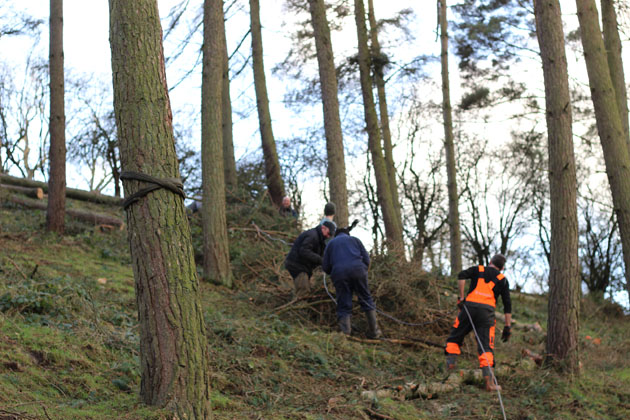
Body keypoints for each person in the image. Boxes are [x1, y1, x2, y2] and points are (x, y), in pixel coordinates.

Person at [444, 254, 512, 391]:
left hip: (468, 308)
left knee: (455, 337)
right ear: (502, 268)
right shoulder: (502, 280)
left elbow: (461, 275)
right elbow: (507, 305)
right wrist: (507, 326)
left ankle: (449, 371)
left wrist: (461, 297)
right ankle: (489, 384)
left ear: (490, 261)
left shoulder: (478, 269)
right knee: (486, 346)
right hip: (486, 314)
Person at [322, 226, 381, 339]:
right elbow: (367, 260)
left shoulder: (331, 244)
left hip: (339, 274)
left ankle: (346, 334)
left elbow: (325, 266)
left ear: (336, 235)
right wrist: (362, 270)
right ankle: (374, 332)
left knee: (343, 301)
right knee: (366, 298)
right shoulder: (355, 240)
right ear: (347, 234)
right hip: (358, 270)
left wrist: (334, 271)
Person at [284, 220, 336, 297]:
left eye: (330, 235)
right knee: (304, 291)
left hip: (302, 267)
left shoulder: (320, 239)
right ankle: (299, 306)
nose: (328, 236)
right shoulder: (313, 235)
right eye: (328, 233)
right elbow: (304, 251)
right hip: (297, 265)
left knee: (306, 289)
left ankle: (295, 301)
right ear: (323, 228)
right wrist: (320, 260)